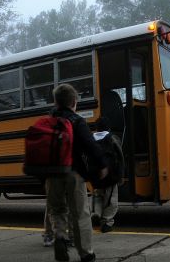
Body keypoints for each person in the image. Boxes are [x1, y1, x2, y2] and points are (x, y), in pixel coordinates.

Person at [46, 83, 108, 262]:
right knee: (80, 213)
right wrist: (102, 164)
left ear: (56, 102)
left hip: (52, 174)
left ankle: (59, 237)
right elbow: (91, 145)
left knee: (57, 210)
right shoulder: (76, 120)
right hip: (74, 173)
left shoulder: (48, 121)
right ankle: (86, 253)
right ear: (74, 102)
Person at [91, 118, 122, 233]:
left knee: (98, 196)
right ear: (108, 127)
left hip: (96, 176)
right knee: (110, 199)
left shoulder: (91, 139)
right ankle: (107, 222)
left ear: (96, 128)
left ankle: (96, 213)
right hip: (111, 176)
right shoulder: (112, 138)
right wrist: (120, 175)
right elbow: (120, 157)